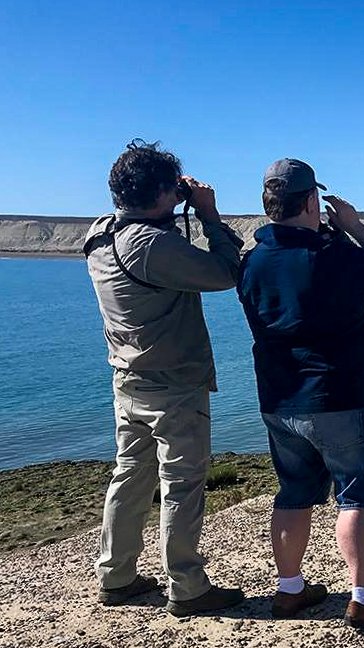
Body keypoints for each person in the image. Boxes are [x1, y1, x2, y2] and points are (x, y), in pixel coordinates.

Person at [237, 159, 364, 628]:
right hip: (343, 396)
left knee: (293, 493)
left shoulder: (251, 262)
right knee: (356, 497)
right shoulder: (336, 255)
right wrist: (353, 226)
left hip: (280, 399)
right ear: (313, 201)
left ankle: (289, 589)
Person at [84, 140, 246, 616]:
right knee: (181, 483)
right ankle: (188, 587)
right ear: (159, 192)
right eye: (172, 187)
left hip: (126, 377)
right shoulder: (151, 245)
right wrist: (209, 215)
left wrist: (174, 208)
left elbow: (158, 246)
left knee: (130, 476)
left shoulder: (99, 234)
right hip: (172, 385)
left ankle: (116, 576)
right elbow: (226, 272)